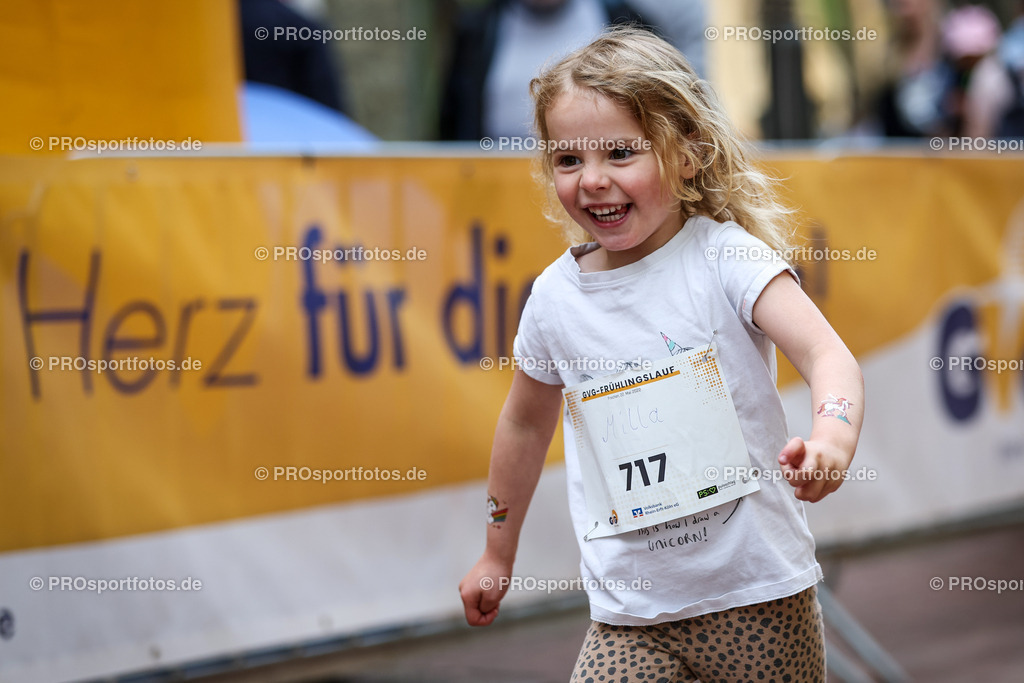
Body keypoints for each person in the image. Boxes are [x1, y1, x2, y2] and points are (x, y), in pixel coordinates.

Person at [458, 27, 864, 682]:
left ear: (688, 153)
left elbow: (827, 355)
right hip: (630, 617)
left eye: (621, 153)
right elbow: (525, 425)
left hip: (758, 598)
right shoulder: (555, 300)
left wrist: (832, 439)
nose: (593, 180)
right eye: (567, 160)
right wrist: (496, 553)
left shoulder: (725, 259)